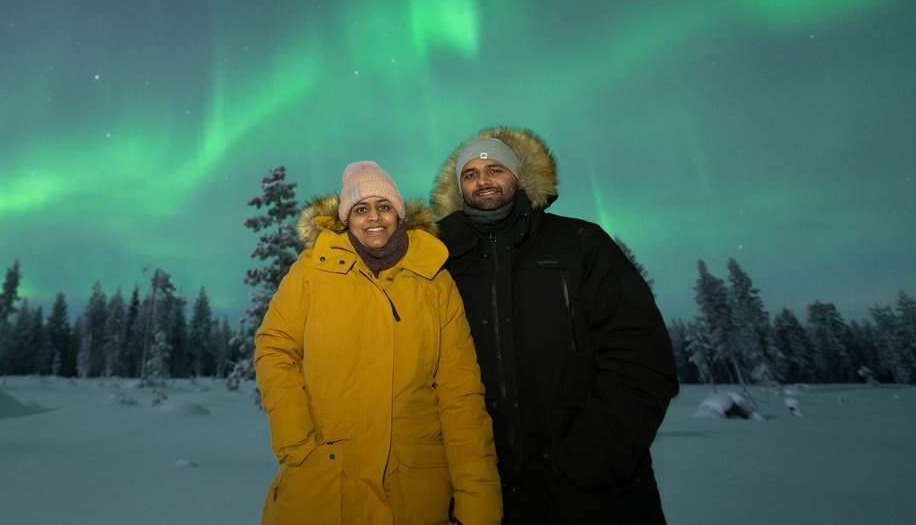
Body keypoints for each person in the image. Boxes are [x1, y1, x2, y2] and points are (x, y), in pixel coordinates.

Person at [431, 128, 678, 523]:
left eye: (495, 169)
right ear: (459, 187)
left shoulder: (580, 243)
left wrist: (588, 462)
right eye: (471, 174)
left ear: (519, 177)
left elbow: (642, 359)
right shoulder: (440, 260)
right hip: (482, 496)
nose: (483, 181)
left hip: (593, 495)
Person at [256, 161, 503, 525]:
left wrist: (478, 502)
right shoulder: (312, 272)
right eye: (361, 208)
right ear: (346, 218)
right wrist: (296, 442)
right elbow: (275, 348)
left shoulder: (434, 281)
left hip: (414, 489)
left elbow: (460, 394)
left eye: (384, 206)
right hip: (325, 480)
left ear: (399, 215)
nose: (374, 217)